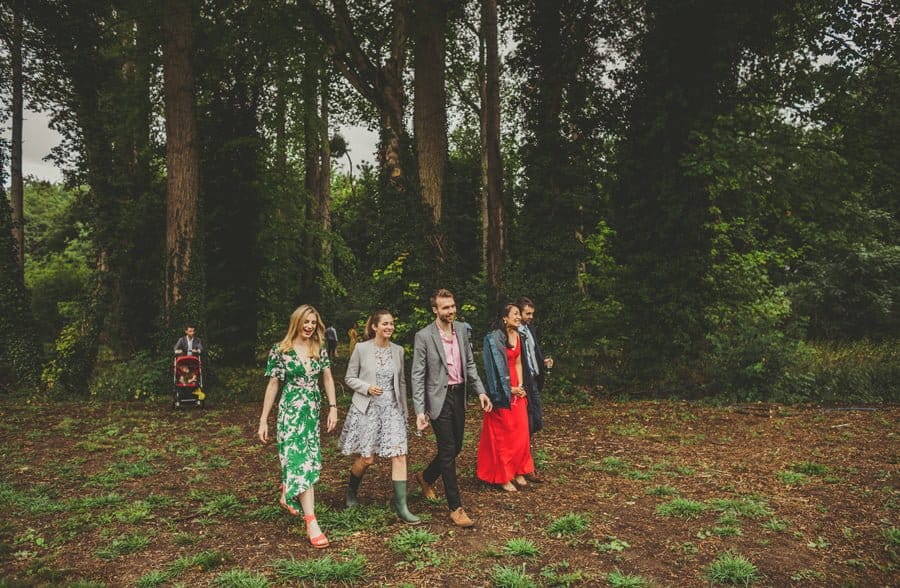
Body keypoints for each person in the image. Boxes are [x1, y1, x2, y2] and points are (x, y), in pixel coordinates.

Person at [258, 305, 338, 549]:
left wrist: (333, 407)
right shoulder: (280, 350)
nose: (310, 326)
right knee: (299, 460)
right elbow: (273, 384)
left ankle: (288, 489)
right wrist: (263, 419)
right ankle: (311, 522)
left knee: (308, 460)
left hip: (311, 412)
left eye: (313, 322)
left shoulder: (318, 348)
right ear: (297, 322)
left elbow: (327, 377)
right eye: (306, 321)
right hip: (291, 412)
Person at [411, 288, 492, 528]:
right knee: (447, 449)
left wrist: (481, 391)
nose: (451, 311)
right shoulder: (424, 336)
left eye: (453, 306)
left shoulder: (462, 330)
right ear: (435, 310)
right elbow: (417, 375)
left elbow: (469, 364)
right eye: (445, 307)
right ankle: (455, 508)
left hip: (459, 395)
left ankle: (425, 477)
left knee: (456, 447)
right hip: (439, 398)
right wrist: (419, 410)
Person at [339, 309, 419, 524]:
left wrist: (404, 410)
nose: (389, 327)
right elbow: (349, 377)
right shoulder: (361, 349)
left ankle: (402, 506)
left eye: (391, 323)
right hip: (368, 408)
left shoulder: (398, 350)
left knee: (399, 454)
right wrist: (366, 387)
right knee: (367, 459)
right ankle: (351, 491)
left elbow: (401, 382)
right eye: (385, 323)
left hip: (392, 409)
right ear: (374, 327)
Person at [477, 303, 535, 491]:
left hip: (517, 386)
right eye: (515, 314)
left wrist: (520, 386)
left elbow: (518, 362)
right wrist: (509, 389)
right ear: (505, 318)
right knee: (503, 435)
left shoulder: (518, 335)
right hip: (500, 389)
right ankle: (503, 476)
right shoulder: (493, 339)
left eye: (519, 314)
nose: (519, 317)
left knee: (520, 432)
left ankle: (518, 470)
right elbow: (491, 370)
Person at [516, 296, 553, 483]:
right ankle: (524, 466)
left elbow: (533, 353)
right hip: (523, 383)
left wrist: (543, 362)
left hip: (534, 380)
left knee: (536, 422)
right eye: (528, 313)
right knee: (527, 424)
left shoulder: (530, 329)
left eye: (532, 314)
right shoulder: (513, 332)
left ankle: (523, 459)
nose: (531, 317)